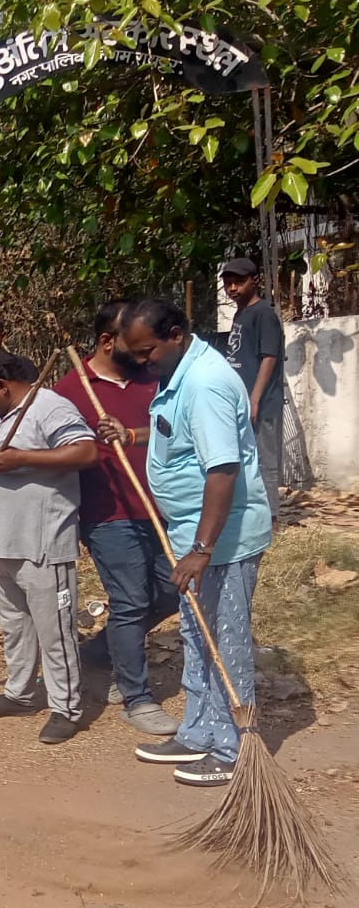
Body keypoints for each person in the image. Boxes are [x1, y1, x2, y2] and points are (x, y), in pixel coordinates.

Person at [115, 298, 272, 786]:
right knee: (197, 637)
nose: (141, 361)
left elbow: (222, 469)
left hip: (222, 542)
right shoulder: (178, 373)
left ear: (176, 335)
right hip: (191, 537)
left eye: (146, 351)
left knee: (224, 644)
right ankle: (199, 731)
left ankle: (230, 748)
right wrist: (133, 435)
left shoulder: (204, 383)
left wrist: (202, 550)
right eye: (135, 353)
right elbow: (178, 436)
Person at [0, 353, 97, 745]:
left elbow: (86, 451)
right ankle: (20, 694)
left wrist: (22, 458)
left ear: (3, 385)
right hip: (0, 543)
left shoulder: (49, 407)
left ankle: (66, 708)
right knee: (15, 626)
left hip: (42, 543)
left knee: (55, 631)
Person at [52, 303, 180, 738]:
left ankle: (101, 650)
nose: (143, 349)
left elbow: (174, 429)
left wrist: (132, 435)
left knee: (172, 592)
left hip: (162, 506)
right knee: (130, 601)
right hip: (107, 513)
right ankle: (136, 699)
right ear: (108, 341)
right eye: (133, 340)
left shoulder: (154, 378)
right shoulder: (70, 390)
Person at [220, 257, 286, 525]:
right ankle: (253, 512)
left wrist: (255, 399)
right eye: (228, 283)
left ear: (254, 280)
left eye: (239, 282)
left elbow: (269, 357)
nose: (233, 288)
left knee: (265, 460)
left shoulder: (263, 314)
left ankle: (272, 518)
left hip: (262, 402)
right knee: (247, 458)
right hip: (242, 400)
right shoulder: (241, 313)